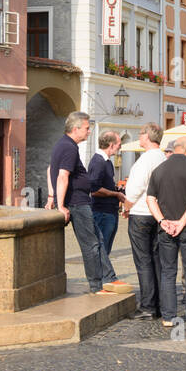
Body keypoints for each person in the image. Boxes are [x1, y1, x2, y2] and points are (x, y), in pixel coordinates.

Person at [146, 136, 186, 329]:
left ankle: (169, 316)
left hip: (166, 229)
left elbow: (150, 200)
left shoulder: (159, 170)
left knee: (168, 272)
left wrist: (162, 221)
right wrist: (183, 221)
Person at [45, 111, 108, 294]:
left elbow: (51, 170)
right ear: (76, 128)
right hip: (77, 203)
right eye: (87, 128)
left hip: (76, 201)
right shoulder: (69, 147)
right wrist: (61, 205)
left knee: (97, 241)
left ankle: (106, 279)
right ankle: (96, 286)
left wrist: (52, 197)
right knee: (91, 245)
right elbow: (62, 176)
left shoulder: (63, 145)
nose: (89, 132)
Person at [122, 123, 168, 321]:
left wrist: (127, 206)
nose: (139, 137)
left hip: (141, 212)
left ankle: (148, 306)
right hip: (158, 214)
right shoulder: (163, 158)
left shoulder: (145, 160)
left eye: (141, 134)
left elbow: (134, 188)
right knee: (156, 259)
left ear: (148, 137)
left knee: (143, 260)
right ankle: (158, 303)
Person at [87, 129, 129, 291]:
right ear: (111, 145)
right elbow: (94, 189)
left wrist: (116, 189)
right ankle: (104, 280)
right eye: (118, 144)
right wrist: (115, 193)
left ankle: (102, 281)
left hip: (109, 210)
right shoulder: (98, 162)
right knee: (101, 247)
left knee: (106, 248)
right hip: (102, 211)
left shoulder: (107, 162)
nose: (119, 147)